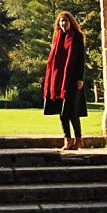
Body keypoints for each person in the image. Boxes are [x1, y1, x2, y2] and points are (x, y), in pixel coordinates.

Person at [43, 10, 87, 150]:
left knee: (70, 111)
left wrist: (80, 78)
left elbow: (81, 59)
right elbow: (53, 60)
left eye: (66, 21)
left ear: (71, 22)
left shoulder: (77, 37)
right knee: (61, 112)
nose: (63, 23)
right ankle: (67, 140)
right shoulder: (57, 37)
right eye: (61, 21)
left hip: (71, 79)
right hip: (58, 80)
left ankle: (78, 139)